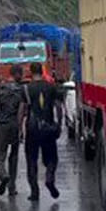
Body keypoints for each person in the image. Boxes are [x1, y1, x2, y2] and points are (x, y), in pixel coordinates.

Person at [23, 62, 61, 200]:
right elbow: (58, 106)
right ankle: (49, 178)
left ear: (31, 72)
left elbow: (23, 109)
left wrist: (21, 128)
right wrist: (59, 124)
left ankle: (34, 192)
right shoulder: (51, 87)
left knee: (31, 159)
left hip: (32, 128)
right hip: (48, 127)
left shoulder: (27, 88)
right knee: (51, 158)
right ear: (42, 71)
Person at [0, 64, 27, 196]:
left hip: (3, 125)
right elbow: (22, 111)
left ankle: (3, 174)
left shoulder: (0, 89)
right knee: (14, 156)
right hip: (14, 124)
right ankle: (12, 187)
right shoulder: (22, 90)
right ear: (18, 74)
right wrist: (20, 128)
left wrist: (2, 116)